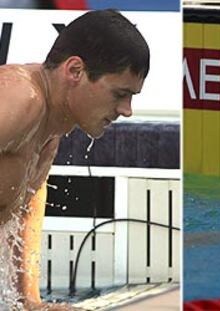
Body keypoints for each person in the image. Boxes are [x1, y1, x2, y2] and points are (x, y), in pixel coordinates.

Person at [0, 8, 149, 309]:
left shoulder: (51, 126)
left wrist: (29, 303)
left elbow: (26, 205)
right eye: (120, 94)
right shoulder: (20, 100)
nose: (127, 110)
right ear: (76, 71)